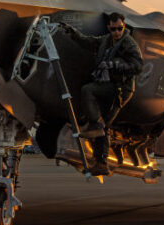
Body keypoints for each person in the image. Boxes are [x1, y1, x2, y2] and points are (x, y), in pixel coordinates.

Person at [60, 12, 143, 175]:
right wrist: (73, 34)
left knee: (90, 94)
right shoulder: (107, 40)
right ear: (109, 28)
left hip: (120, 89)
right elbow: (89, 43)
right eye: (113, 29)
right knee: (103, 125)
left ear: (124, 26)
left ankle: (97, 139)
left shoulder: (128, 43)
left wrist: (114, 64)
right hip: (109, 86)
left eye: (120, 28)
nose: (117, 32)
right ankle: (100, 162)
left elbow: (138, 66)